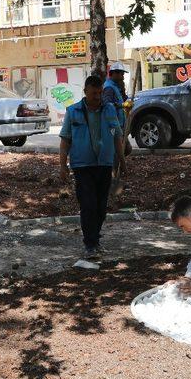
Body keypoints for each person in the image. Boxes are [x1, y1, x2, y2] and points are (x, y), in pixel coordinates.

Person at [60, 75, 127, 258]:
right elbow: (65, 139)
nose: (97, 97)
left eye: (99, 93)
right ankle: (89, 244)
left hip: (104, 164)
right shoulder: (73, 111)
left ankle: (95, 239)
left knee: (100, 207)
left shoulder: (109, 110)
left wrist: (121, 160)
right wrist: (62, 165)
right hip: (82, 166)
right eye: (93, 93)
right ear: (85, 92)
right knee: (88, 205)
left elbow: (116, 136)